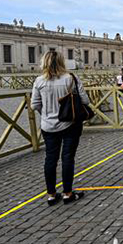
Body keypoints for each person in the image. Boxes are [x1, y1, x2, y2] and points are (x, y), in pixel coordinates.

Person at [31, 51, 89, 205]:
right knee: (67, 158)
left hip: (47, 126)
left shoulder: (38, 81)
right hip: (69, 124)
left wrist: (46, 114)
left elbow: (35, 105)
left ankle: (51, 195)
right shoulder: (70, 78)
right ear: (62, 62)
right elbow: (85, 100)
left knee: (50, 159)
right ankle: (67, 193)